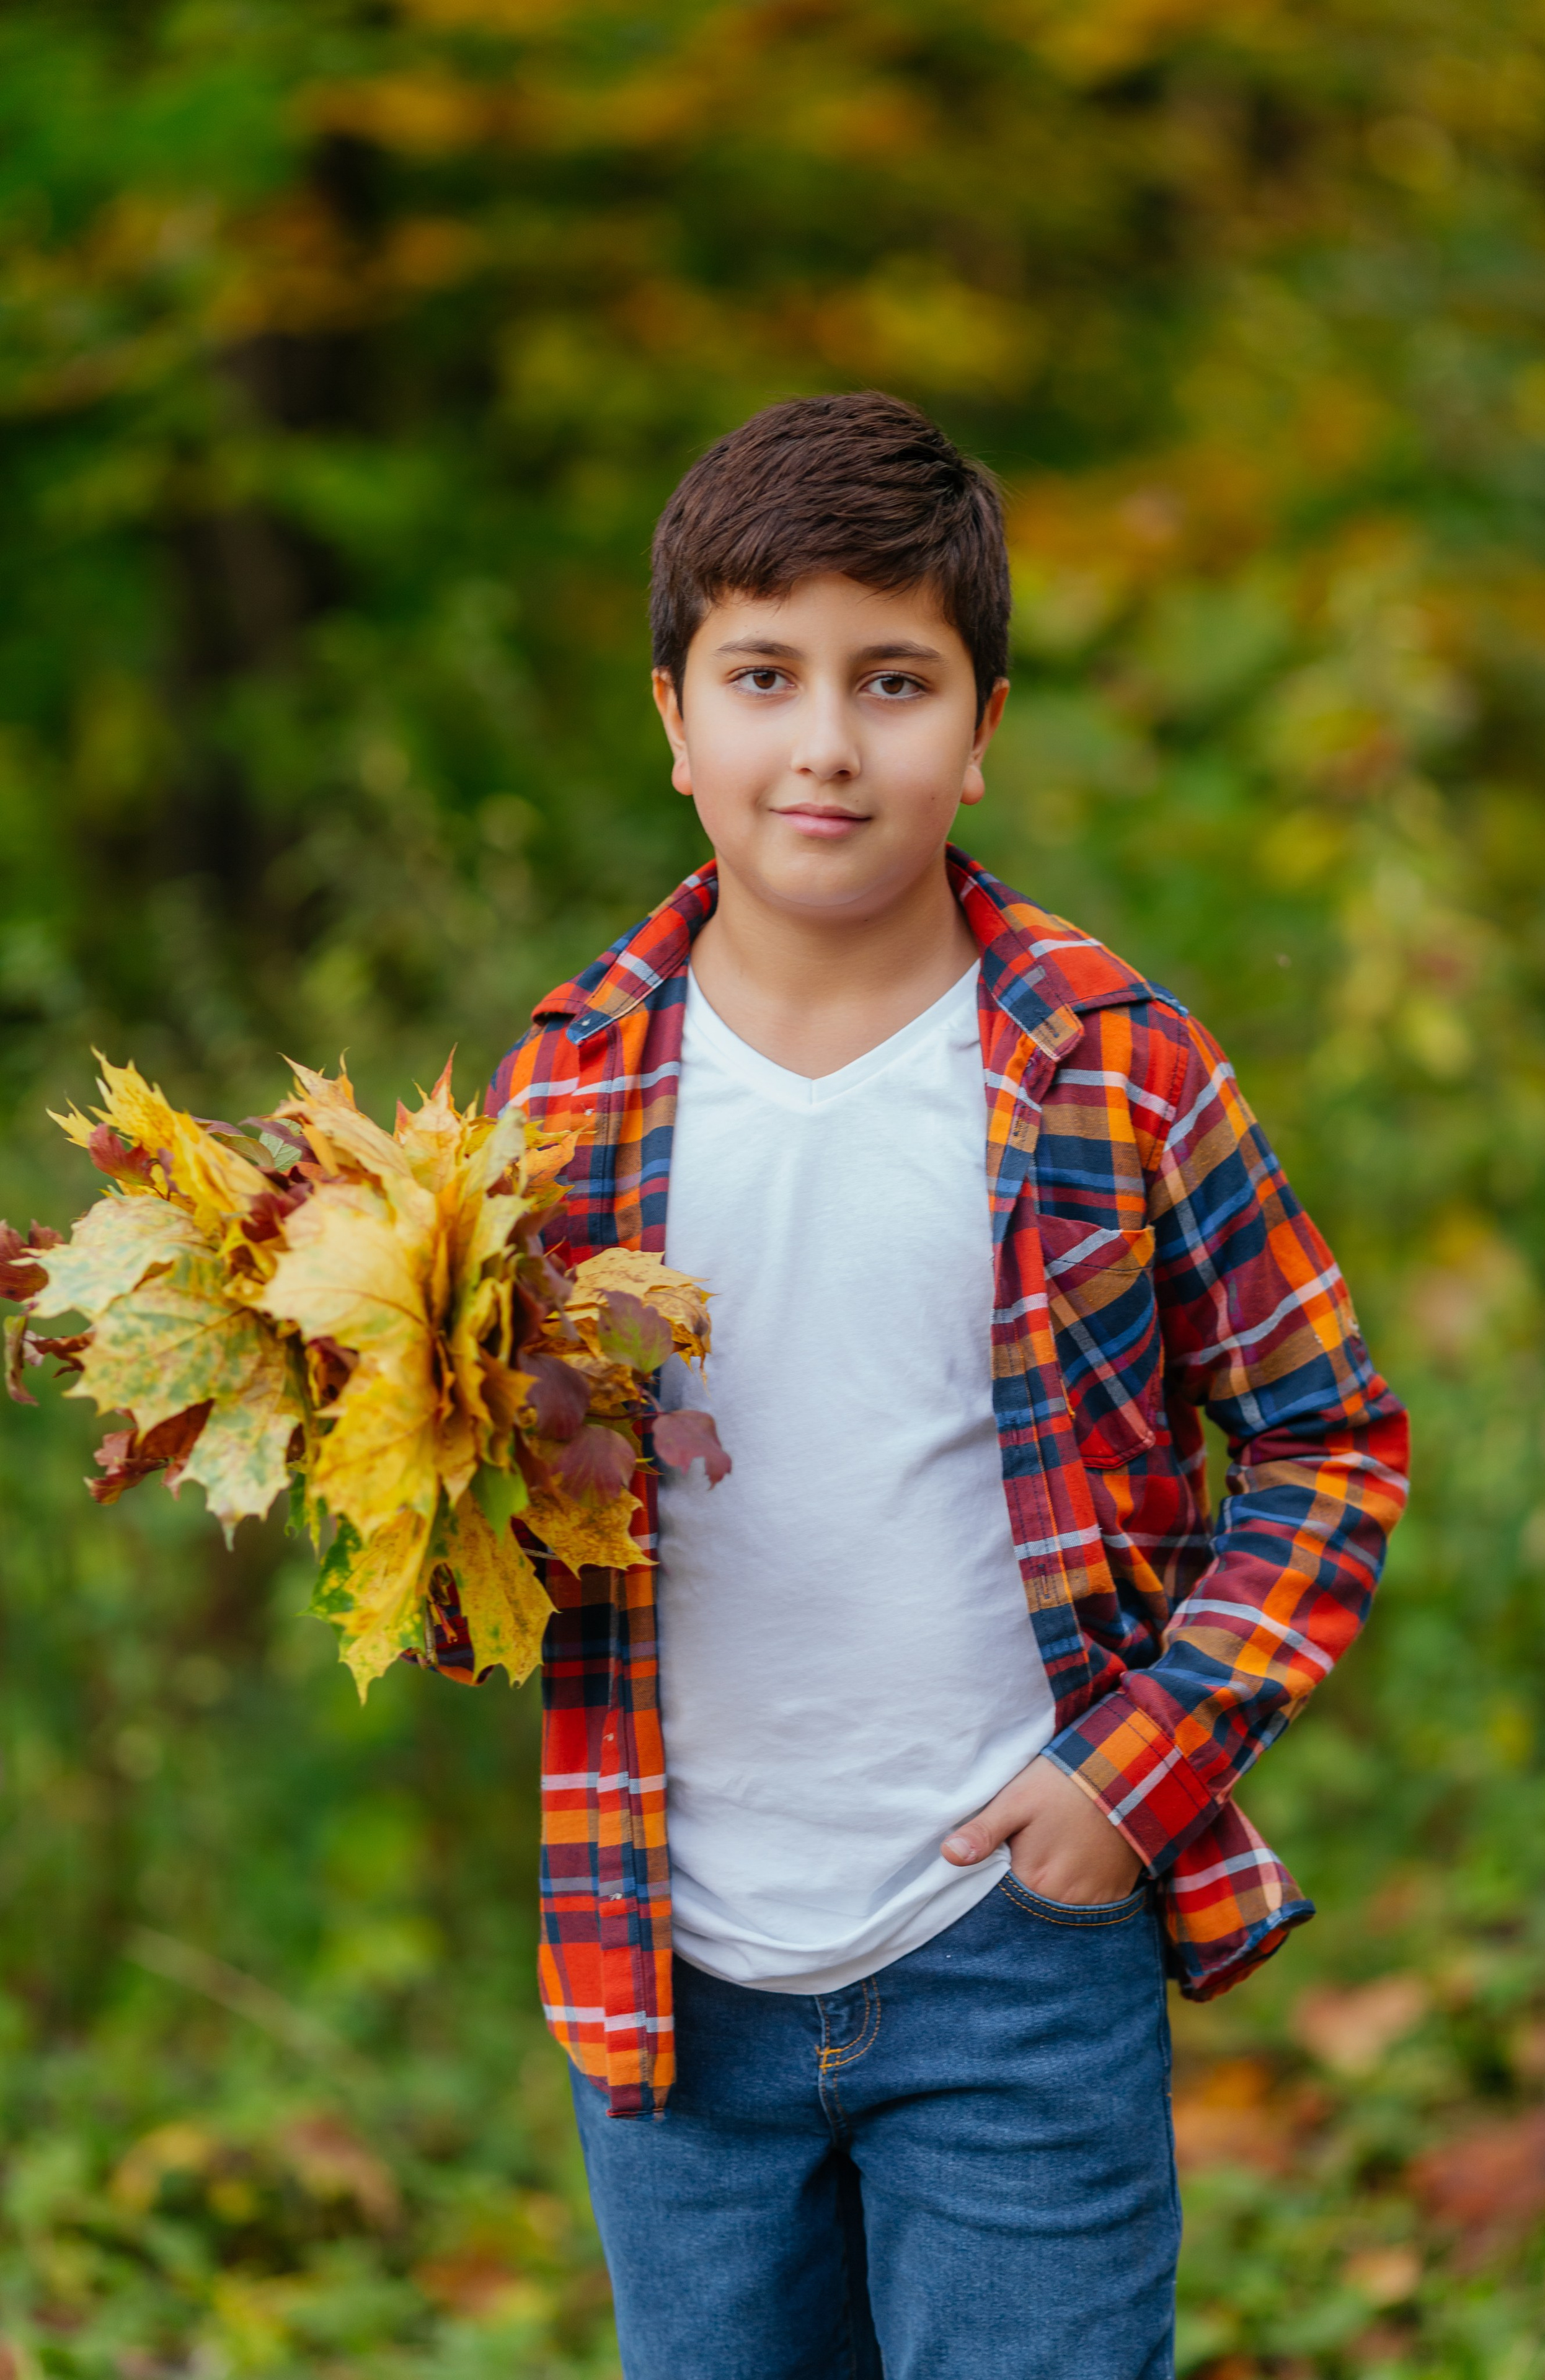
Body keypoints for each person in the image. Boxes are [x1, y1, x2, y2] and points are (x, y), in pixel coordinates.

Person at [479, 392, 1410, 2379]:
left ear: (980, 732)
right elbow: (478, 1543)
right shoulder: (551, 1110)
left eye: (894, 680)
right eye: (765, 675)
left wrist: (1131, 1778)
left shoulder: (1115, 1067)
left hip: (1014, 1955)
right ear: (674, 721)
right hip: (670, 1968)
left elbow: (1330, 1439)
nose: (825, 742)